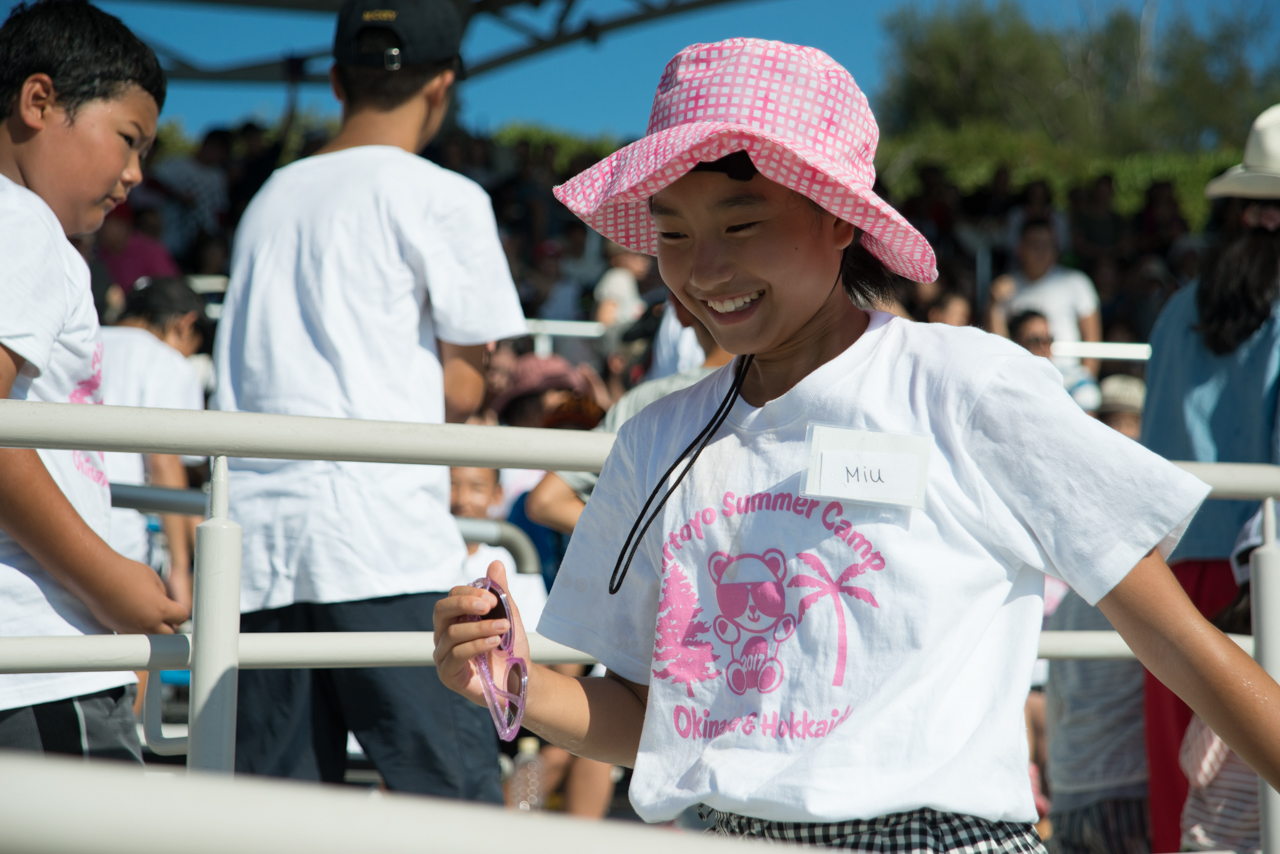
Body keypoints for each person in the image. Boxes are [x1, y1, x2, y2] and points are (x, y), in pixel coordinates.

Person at [433, 39, 1280, 851]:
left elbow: (1171, 635)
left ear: (841, 220)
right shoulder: (655, 439)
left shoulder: (967, 385)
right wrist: (511, 683)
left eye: (740, 223)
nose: (703, 269)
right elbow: (653, 719)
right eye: (674, 233)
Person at [212, 0, 525, 797]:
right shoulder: (445, 196)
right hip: (385, 543)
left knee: (270, 825)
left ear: (335, 81)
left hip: (258, 553)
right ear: (444, 84)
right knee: (454, 810)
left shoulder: (270, 199)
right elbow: (463, 383)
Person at [0, 0, 187, 760]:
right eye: (128, 140)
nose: (136, 175)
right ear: (40, 100)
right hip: (37, 660)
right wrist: (110, 580)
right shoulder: (25, 226)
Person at [1139, 103, 1280, 853]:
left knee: (1180, 778)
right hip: (1262, 568)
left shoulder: (1177, 309)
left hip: (1164, 564)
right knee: (1257, 795)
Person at [1044, 397, 1153, 854]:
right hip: (1126, 787)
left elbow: (1057, 705)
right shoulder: (1145, 597)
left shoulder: (1069, 603)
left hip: (1069, 791)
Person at [100, 279, 207, 613]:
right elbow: (164, 462)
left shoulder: (83, 342)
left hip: (52, 522)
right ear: (185, 324)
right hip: (121, 537)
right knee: (132, 657)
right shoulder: (167, 362)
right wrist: (180, 568)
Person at [990, 219, 1103, 376]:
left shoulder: (1076, 282)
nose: (1041, 251)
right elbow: (998, 342)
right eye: (1035, 244)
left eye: (1047, 244)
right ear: (1019, 248)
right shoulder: (1005, 287)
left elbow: (1092, 339)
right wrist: (993, 304)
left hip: (1068, 375)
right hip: (1022, 375)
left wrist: (1086, 379)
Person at [151, 128, 230, 263]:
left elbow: (221, 209)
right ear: (207, 145)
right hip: (170, 235)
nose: (220, 156)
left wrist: (215, 234)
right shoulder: (175, 164)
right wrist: (176, 195)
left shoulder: (218, 177)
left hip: (200, 244)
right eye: (219, 151)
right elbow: (151, 183)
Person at [1008, 310, 1101, 413]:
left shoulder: (1076, 380)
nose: (1043, 346)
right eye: (1034, 339)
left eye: (1048, 339)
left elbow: (1086, 421)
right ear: (1016, 342)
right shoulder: (1008, 381)